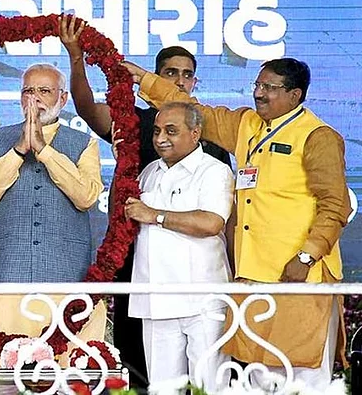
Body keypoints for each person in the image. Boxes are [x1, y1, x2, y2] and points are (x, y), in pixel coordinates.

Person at [123, 57, 351, 391]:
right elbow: (194, 110)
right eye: (257, 85)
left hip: (299, 275)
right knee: (258, 376)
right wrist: (145, 79)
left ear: (295, 95)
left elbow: (336, 205)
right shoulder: (247, 125)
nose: (259, 93)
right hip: (252, 275)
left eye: (269, 88)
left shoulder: (318, 136)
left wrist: (307, 256)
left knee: (302, 376)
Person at [59, 14, 231, 386]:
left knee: (209, 382)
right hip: (144, 272)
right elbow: (88, 109)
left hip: (201, 285)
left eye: (187, 75)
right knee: (150, 376)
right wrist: (76, 58)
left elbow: (219, 221)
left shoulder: (215, 144)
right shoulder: (134, 128)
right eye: (170, 73)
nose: (179, 81)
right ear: (154, 78)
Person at [0, 63, 106, 366]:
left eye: (45, 91)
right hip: (4, 278)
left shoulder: (84, 143)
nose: (36, 98)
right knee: (0, 373)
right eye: (29, 91)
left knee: (68, 373)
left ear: (63, 98)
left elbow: (86, 196)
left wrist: (44, 150)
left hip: (66, 278)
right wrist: (19, 150)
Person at [122, 102, 233, 391]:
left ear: (195, 133)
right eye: (157, 131)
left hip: (203, 301)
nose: (160, 138)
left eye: (171, 131)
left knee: (209, 386)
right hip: (155, 299)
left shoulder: (214, 170)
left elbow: (211, 222)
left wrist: (155, 215)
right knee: (163, 388)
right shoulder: (148, 172)